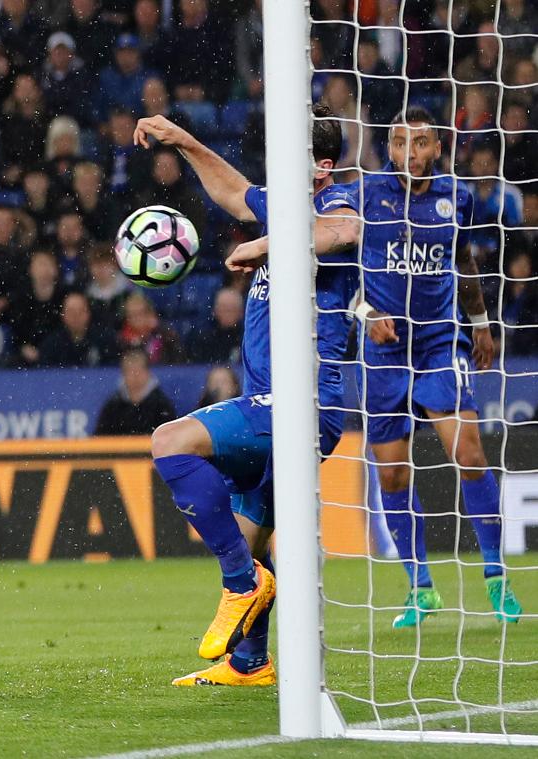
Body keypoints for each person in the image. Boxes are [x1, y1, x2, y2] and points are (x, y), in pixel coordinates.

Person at [137, 105, 362, 687]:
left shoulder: (335, 203)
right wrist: (184, 138)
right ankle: (251, 662)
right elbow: (231, 189)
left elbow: (343, 233)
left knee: (170, 442)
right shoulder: (283, 205)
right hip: (274, 401)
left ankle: (242, 585)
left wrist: (262, 246)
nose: (273, 165)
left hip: (304, 402)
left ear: (323, 165)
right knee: (247, 537)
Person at [349, 107, 521, 629]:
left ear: (437, 148)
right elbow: (333, 274)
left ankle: (496, 578)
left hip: (440, 343)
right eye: (401, 143)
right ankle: (419, 586)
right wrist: (364, 312)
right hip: (383, 351)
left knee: (467, 450)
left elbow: (463, 260)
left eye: (420, 143)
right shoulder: (366, 196)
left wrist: (482, 323)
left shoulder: (456, 197)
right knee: (394, 471)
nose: (410, 154)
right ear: (389, 147)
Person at [94, 349, 176, 435]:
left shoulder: (161, 405)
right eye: (130, 371)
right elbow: (100, 439)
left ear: (147, 372)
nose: (135, 376)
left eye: (139, 371)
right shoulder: (113, 405)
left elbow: (169, 438)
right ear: (123, 374)